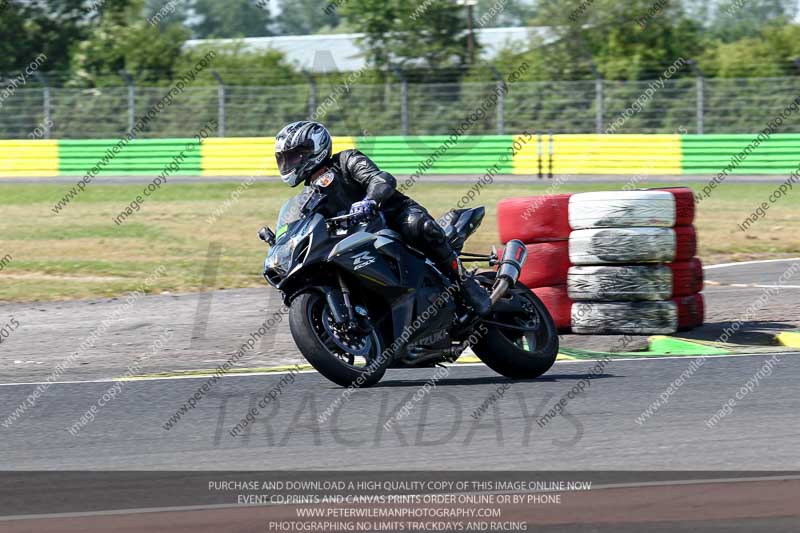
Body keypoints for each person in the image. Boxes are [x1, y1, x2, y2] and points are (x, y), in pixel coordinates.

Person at [274, 120, 491, 316]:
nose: (291, 162)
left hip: (391, 216)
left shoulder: (346, 160)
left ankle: (466, 285)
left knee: (419, 226)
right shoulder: (307, 197)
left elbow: (381, 179)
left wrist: (370, 200)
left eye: (296, 155)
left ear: (316, 148)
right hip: (356, 240)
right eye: (286, 158)